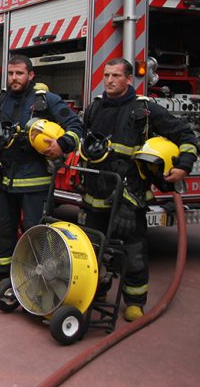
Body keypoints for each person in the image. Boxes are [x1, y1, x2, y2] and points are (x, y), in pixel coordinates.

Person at [78, 58, 197, 321]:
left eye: (116, 76)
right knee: (93, 250)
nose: (109, 80)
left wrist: (184, 166)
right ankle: (97, 291)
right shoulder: (95, 108)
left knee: (133, 252)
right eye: (106, 75)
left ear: (129, 79)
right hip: (94, 196)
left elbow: (186, 135)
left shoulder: (144, 110)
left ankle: (135, 301)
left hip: (129, 199)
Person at [0, 54, 82, 286]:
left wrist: (62, 144)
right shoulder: (1, 99)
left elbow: (75, 126)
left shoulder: (46, 100)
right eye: (11, 74)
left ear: (31, 75)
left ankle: (39, 279)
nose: (14, 78)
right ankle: (0, 271)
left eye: (19, 73)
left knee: (37, 232)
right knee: (1, 226)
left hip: (35, 181)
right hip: (4, 178)